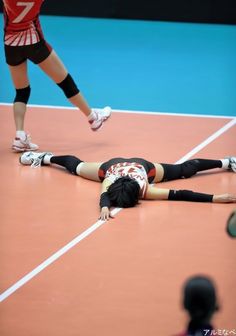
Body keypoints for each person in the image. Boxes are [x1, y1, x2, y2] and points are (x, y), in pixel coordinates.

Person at [3, 0, 111, 152]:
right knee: (65, 82)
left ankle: (20, 136)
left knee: (22, 91)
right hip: (34, 43)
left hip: (11, 45)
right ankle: (93, 118)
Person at [19, 152, 236, 220]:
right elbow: (104, 196)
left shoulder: (147, 189)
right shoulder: (109, 179)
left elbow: (182, 194)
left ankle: (226, 162)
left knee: (183, 170)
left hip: (146, 169)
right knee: (77, 167)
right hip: (111, 166)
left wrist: (215, 198)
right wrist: (104, 207)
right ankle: (45, 157)